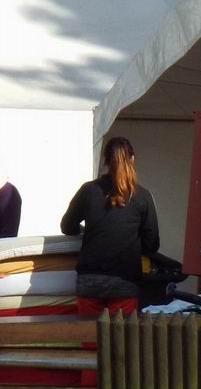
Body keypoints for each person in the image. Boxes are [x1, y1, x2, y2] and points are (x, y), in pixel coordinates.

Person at [60, 135, 160, 316]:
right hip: (125, 279)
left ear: (106, 160)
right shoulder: (142, 196)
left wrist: (86, 231)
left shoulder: (89, 190)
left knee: (89, 333)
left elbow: (67, 226)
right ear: (132, 159)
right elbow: (151, 244)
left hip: (90, 279)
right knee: (122, 334)